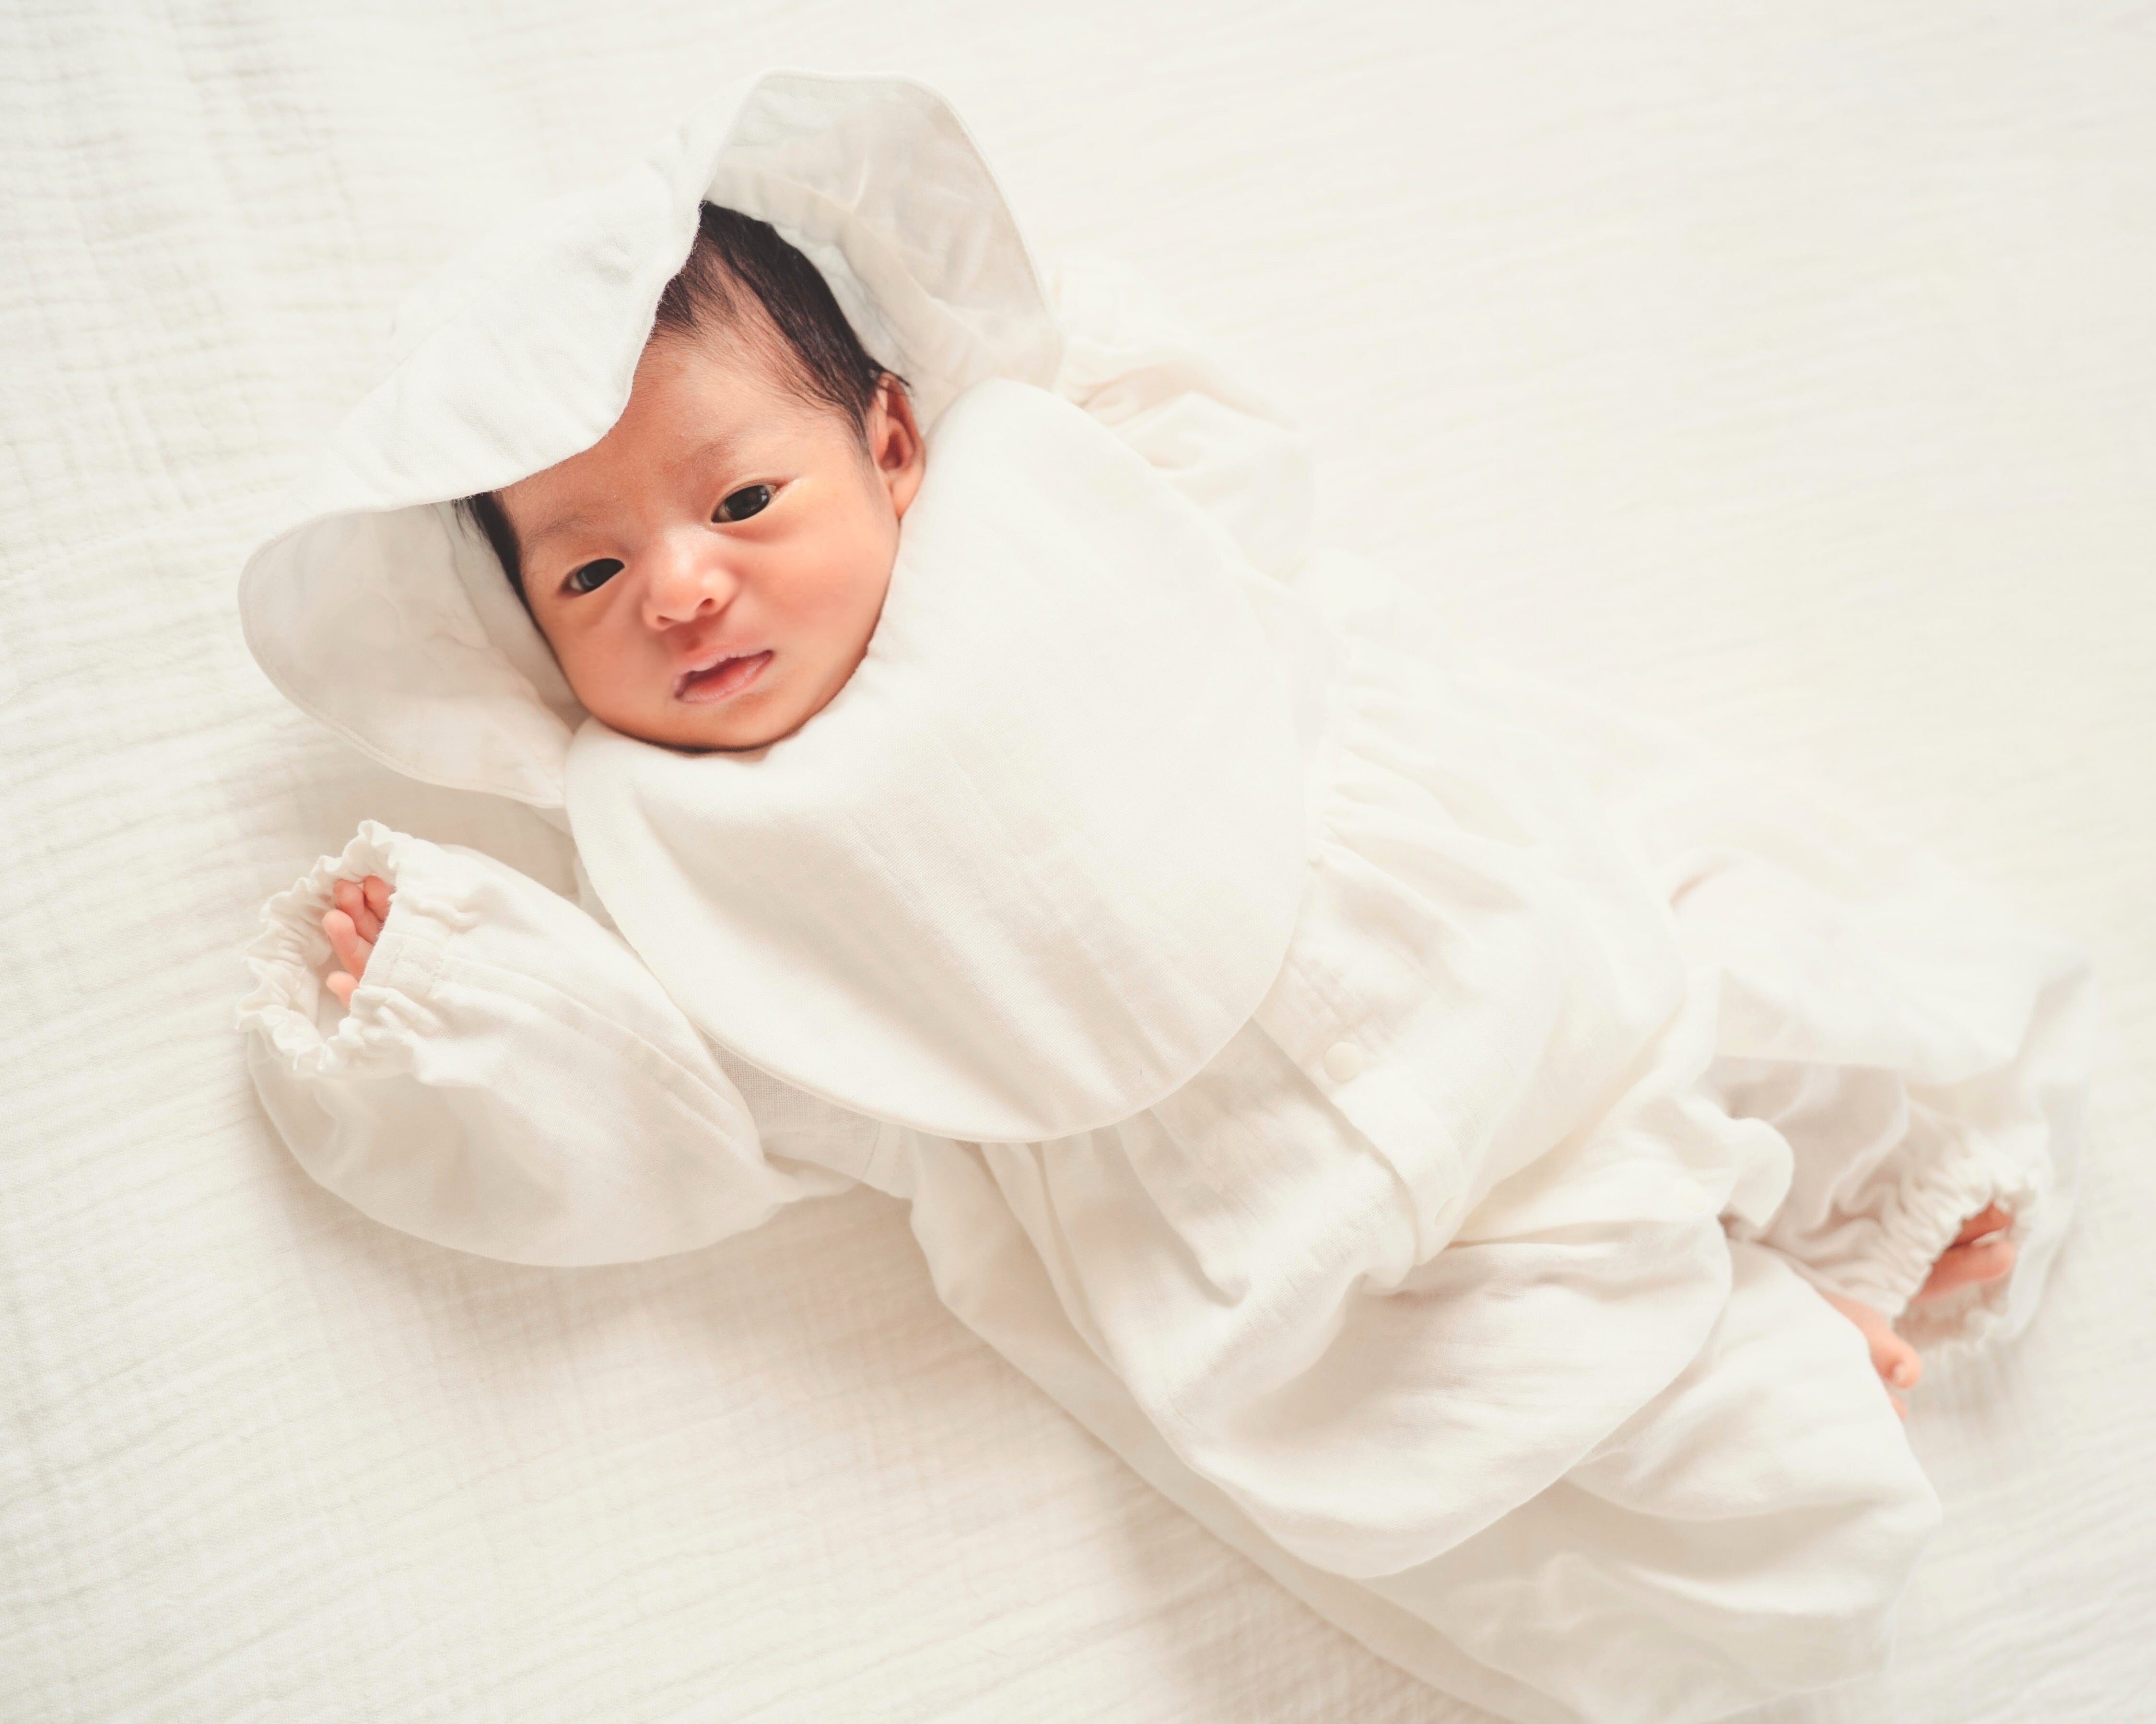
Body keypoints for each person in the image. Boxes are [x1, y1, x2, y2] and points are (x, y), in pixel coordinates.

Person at [235, 71, 2096, 1724]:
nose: (679, 588)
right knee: (1461, 1388)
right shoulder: (675, 848)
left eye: (738, 500)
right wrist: (473, 1006)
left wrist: (1106, 392)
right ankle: (1764, 1376)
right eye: (585, 576)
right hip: (1219, 1199)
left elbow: (1256, 513)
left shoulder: (1046, 499)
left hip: (1415, 943)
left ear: (893, 444)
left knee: (1687, 963)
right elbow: (698, 1106)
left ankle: (1856, 1197)